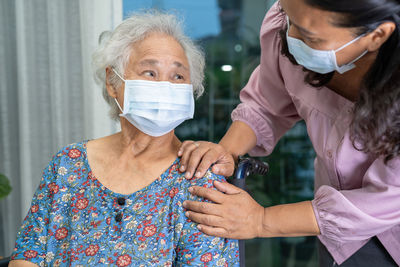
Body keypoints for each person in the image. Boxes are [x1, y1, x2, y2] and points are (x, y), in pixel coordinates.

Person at [178, 0, 400, 266]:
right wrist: (228, 150)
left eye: (310, 37)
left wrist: (261, 221)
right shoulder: (291, 19)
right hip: (335, 237)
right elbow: (266, 103)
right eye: (291, 21)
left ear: (377, 36)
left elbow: (387, 197)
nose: (291, 38)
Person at [9, 11, 239, 267]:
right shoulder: (67, 164)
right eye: (150, 73)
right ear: (112, 81)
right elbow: (28, 255)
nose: (165, 86)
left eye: (178, 76)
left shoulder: (199, 180)